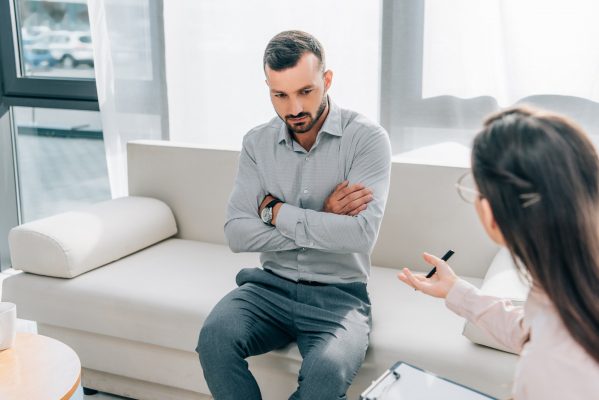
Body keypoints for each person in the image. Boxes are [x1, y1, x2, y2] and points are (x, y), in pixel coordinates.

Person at [197, 30, 392, 400]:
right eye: (280, 95)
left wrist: (275, 211)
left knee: (327, 372)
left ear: (327, 80)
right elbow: (238, 233)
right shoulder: (256, 143)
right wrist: (323, 216)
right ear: (268, 87)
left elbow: (361, 235)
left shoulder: (367, 139)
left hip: (340, 296)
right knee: (214, 338)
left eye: (306, 91)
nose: (294, 109)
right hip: (268, 286)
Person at [398, 106, 599, 399]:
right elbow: (532, 330)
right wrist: (456, 290)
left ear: (490, 212)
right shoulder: (569, 285)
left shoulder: (552, 367)